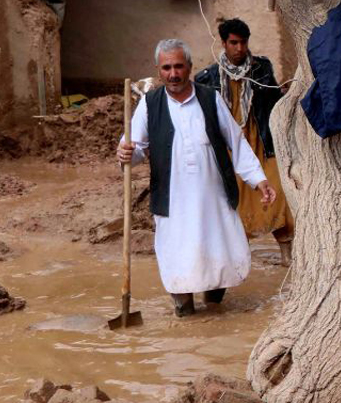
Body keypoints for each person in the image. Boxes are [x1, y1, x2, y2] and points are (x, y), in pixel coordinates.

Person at [116, 39, 276, 317]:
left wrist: (258, 179)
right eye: (166, 68)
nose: (173, 74)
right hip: (172, 199)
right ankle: (184, 310)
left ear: (189, 67)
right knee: (178, 255)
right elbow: (135, 149)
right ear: (158, 70)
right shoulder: (149, 105)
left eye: (179, 66)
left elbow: (236, 142)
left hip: (213, 197)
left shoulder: (209, 98)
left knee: (217, 254)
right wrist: (126, 153)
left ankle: (215, 310)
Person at [194, 18, 295, 265]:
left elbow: (273, 104)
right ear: (224, 43)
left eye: (243, 42)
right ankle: (238, 261)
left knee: (277, 194)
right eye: (234, 43)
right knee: (232, 203)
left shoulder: (261, 69)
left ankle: (286, 256)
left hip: (261, 143)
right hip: (228, 150)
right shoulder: (207, 77)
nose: (239, 48)